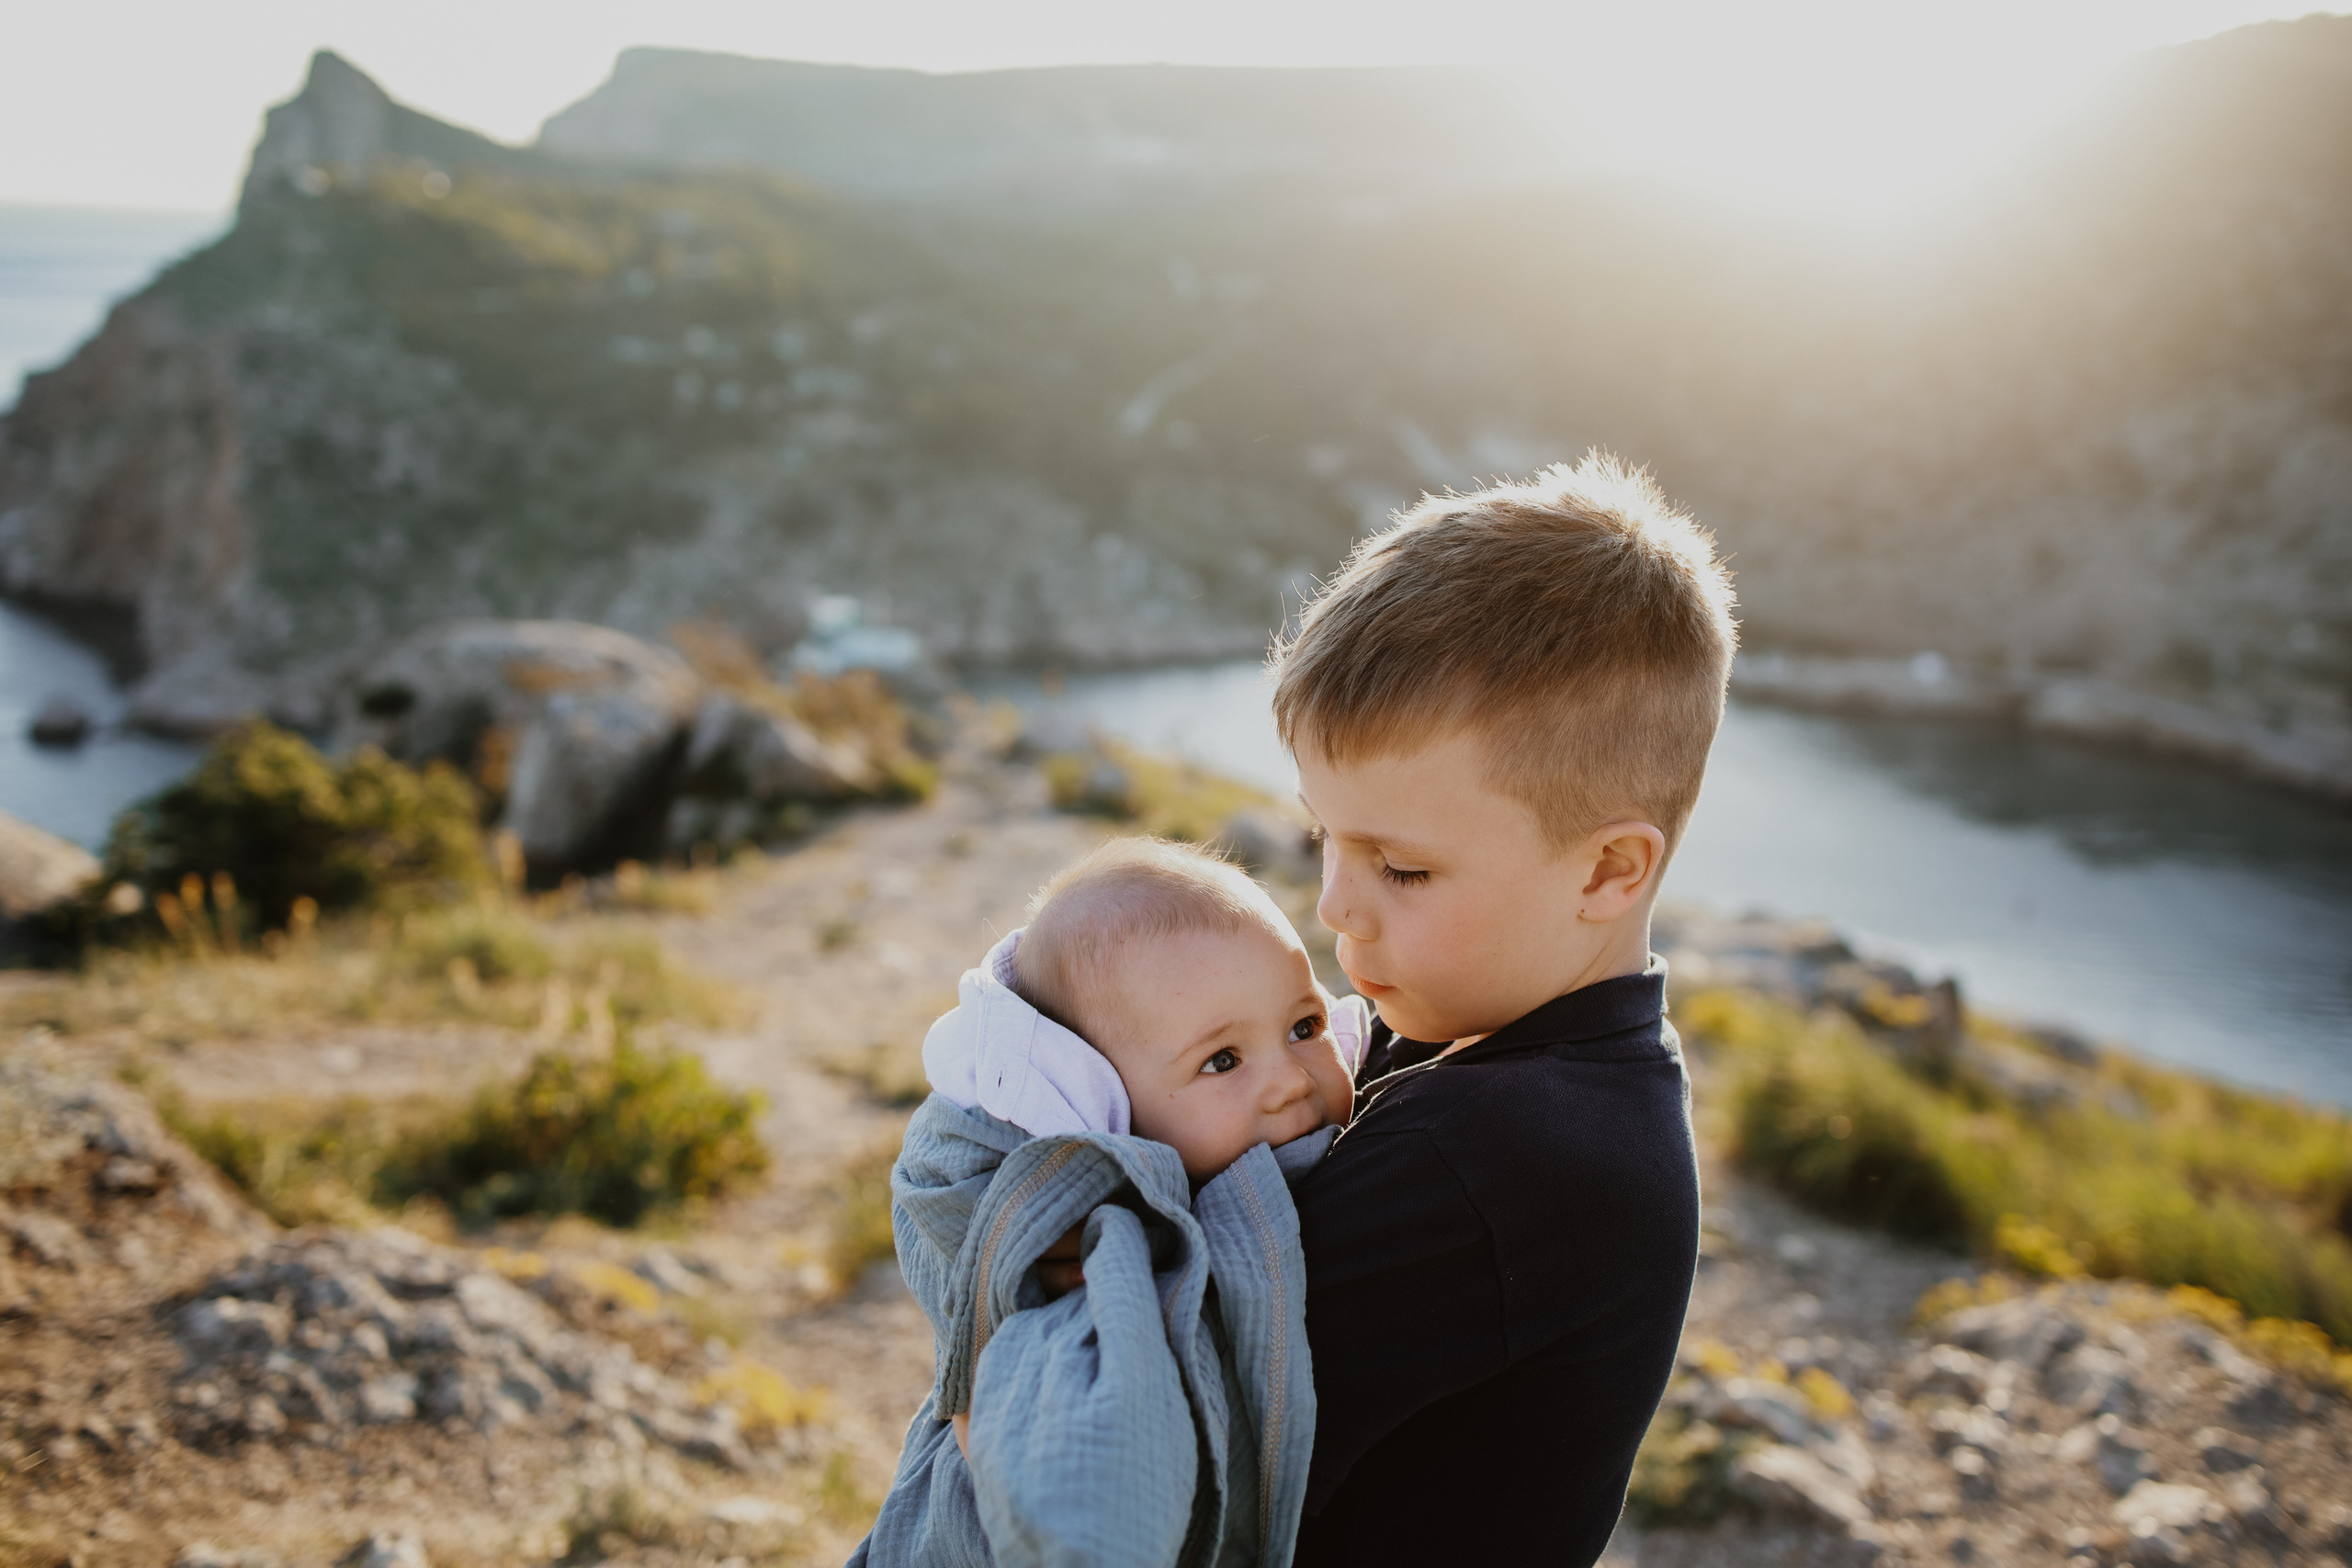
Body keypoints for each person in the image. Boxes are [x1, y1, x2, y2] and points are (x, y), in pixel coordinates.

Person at [1272, 455, 1736, 1566]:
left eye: (1404, 870)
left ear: (1608, 873)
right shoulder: (1547, 1064)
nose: (1336, 905)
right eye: (1322, 838)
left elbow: (1152, 1421)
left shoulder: (1493, 1153)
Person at [853, 836, 1370, 1568]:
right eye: (1222, 1059)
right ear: (1101, 1103)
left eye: (1305, 1026)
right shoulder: (1078, 1261)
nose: (1290, 1078)